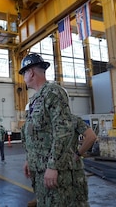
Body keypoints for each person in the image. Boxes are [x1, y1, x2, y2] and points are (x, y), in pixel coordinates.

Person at [19, 53, 87, 206]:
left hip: (52, 171)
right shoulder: (36, 99)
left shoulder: (53, 92)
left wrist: (53, 165)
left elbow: (63, 130)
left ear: (31, 72)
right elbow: (36, 134)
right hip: (40, 170)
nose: (23, 77)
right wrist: (29, 159)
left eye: (23, 73)